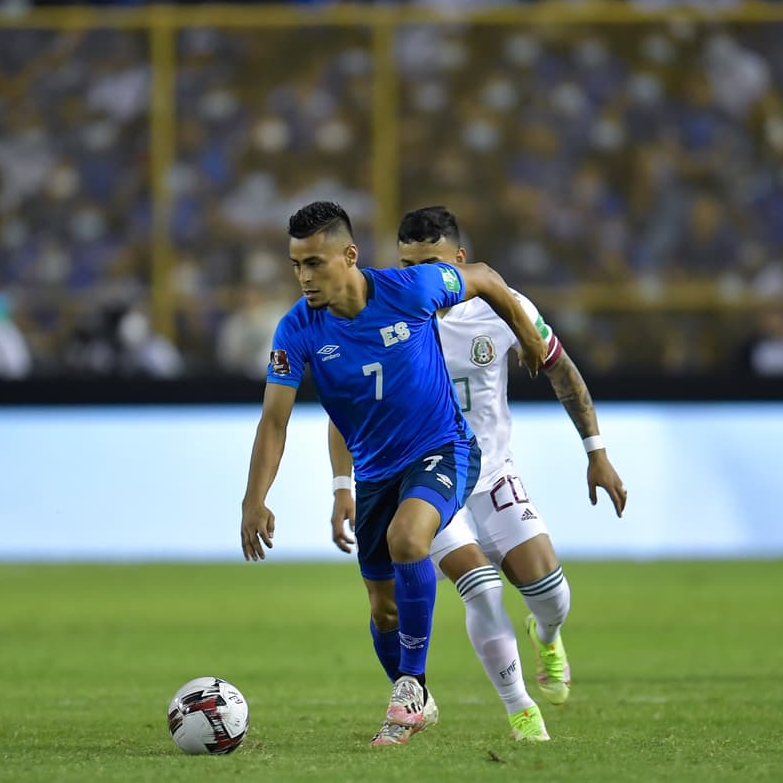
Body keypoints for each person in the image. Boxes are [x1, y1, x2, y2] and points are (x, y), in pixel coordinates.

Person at [239, 201, 546, 745]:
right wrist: (255, 498)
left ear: (349, 256)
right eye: (296, 265)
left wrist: (527, 334)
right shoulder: (298, 329)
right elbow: (274, 421)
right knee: (383, 612)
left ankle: (409, 687)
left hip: (444, 449)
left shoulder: (411, 289)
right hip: (377, 474)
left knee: (410, 539)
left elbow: (487, 279)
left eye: (315, 262)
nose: (304, 276)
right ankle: (417, 697)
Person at [329, 206, 628, 741]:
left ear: (457, 263)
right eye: (404, 264)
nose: (415, 275)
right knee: (481, 589)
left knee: (548, 590)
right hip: (424, 478)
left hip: (490, 474)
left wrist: (596, 451)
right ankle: (520, 711)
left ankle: (548, 633)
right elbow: (349, 405)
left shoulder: (502, 310)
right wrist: (344, 484)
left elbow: (560, 367)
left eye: (429, 264)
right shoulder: (387, 316)